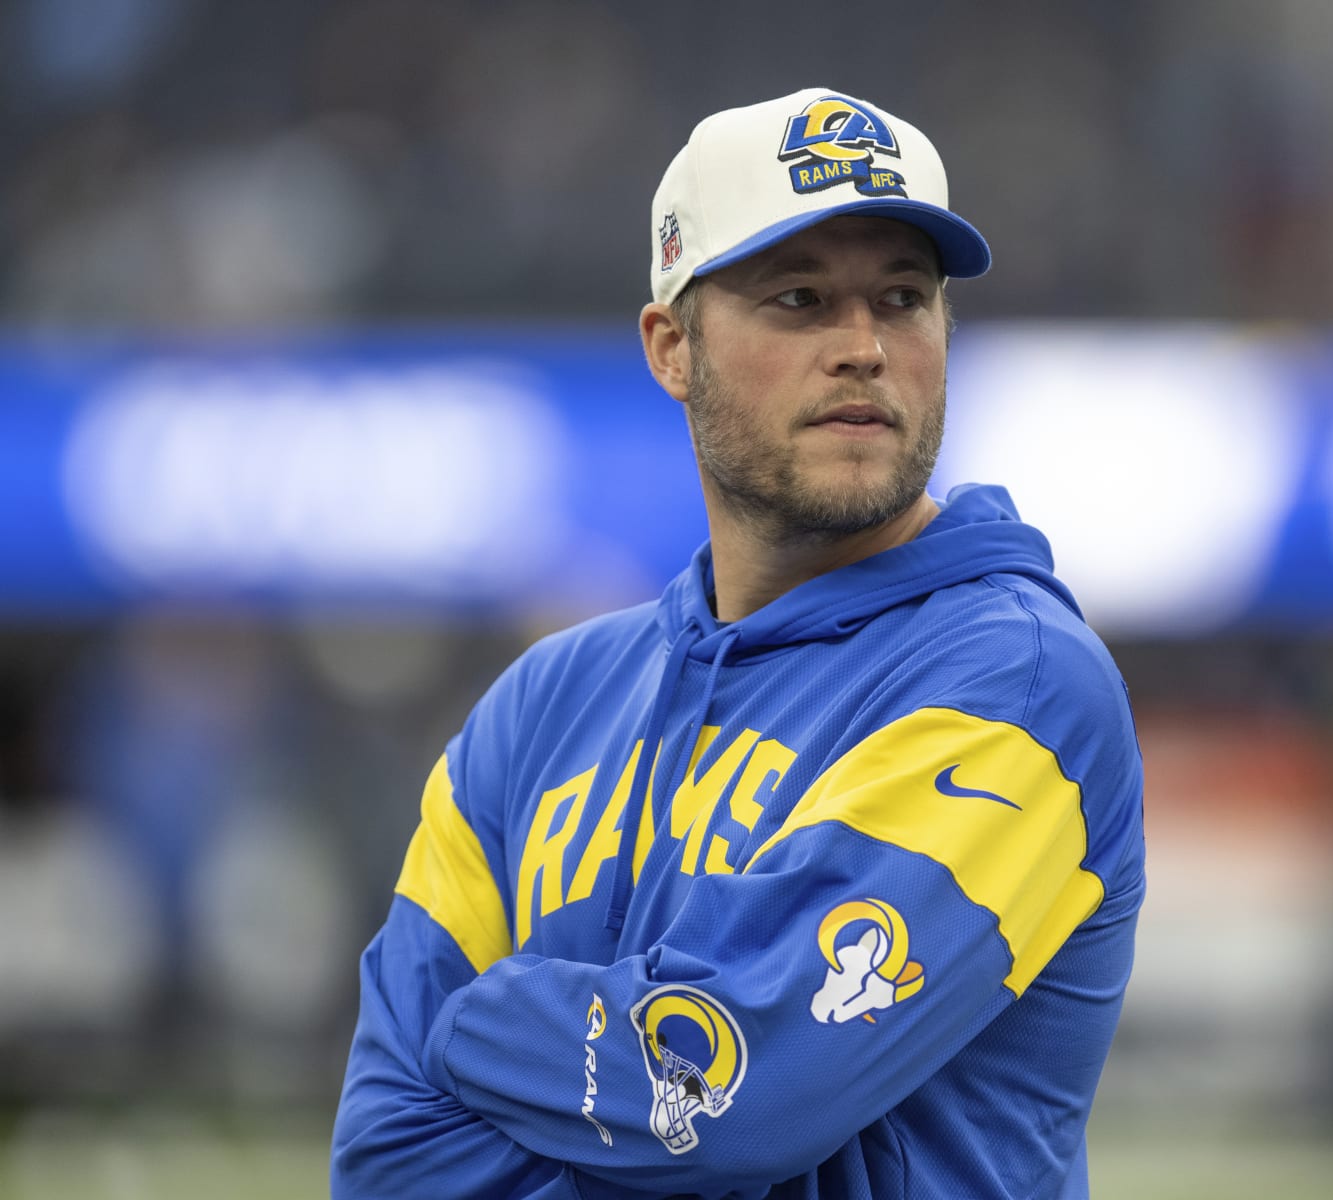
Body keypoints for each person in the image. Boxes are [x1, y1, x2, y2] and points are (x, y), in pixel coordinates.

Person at [330, 87, 1146, 1199]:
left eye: (903, 299)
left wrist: (480, 1031)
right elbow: (386, 1161)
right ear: (673, 348)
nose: (862, 348)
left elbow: (737, 1099)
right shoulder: (539, 710)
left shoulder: (1016, 685)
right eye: (801, 299)